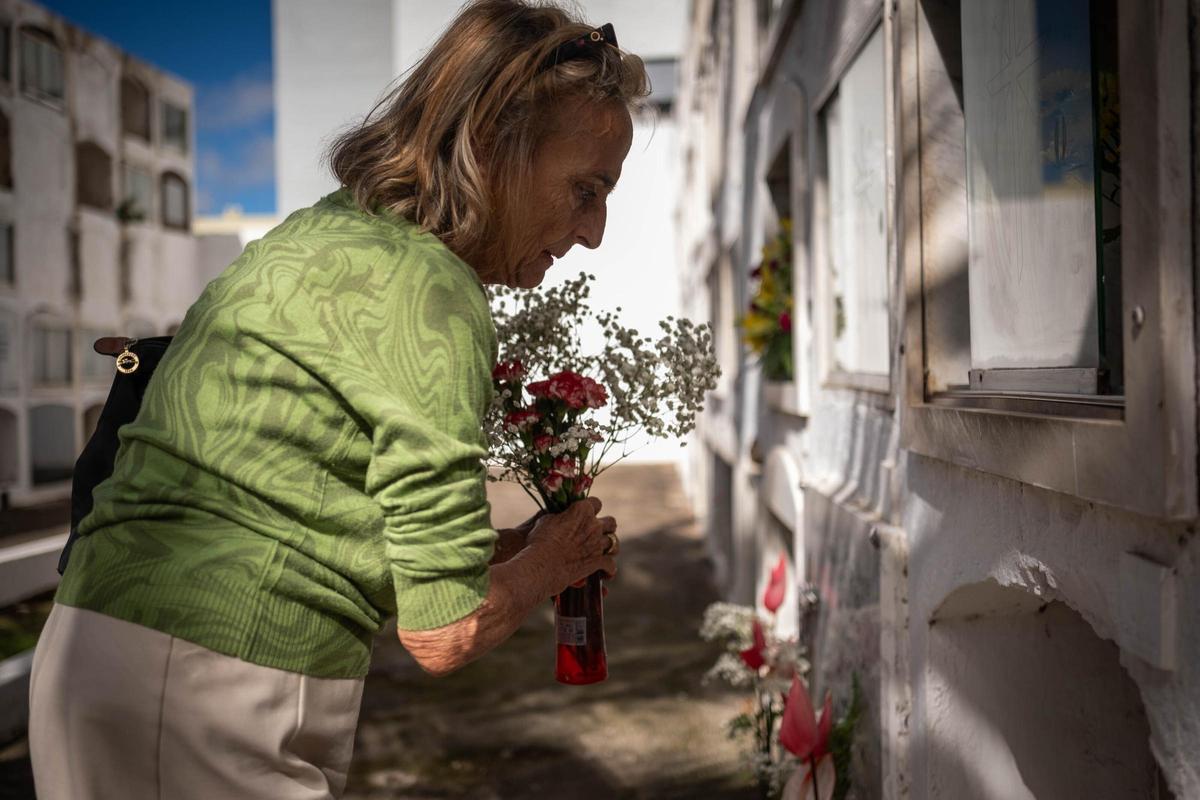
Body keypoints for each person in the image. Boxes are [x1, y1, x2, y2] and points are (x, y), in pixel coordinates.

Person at [28, 2, 647, 797]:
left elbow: (321, 505)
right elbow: (445, 632)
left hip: (122, 661)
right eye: (586, 188)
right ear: (496, 145)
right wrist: (549, 566)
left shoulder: (324, 233)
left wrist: (516, 549)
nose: (593, 230)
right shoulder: (434, 295)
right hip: (202, 690)